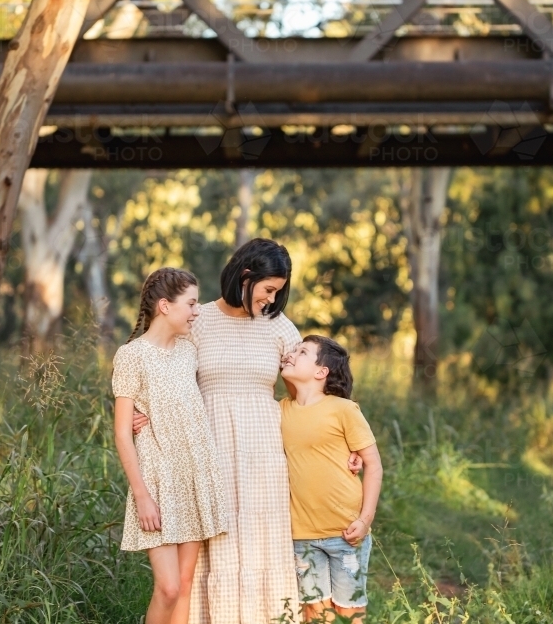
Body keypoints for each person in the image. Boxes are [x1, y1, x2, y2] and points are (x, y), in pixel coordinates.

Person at [131, 239, 362, 623]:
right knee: (209, 551)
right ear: (245, 275)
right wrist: (144, 413)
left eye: (278, 292)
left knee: (262, 544)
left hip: (265, 455)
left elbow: (311, 394)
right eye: (269, 289)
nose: (272, 300)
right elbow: (160, 370)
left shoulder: (280, 328)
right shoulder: (197, 320)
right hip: (206, 450)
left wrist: (344, 444)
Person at [112, 267, 228, 624]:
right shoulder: (131, 355)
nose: (197, 311)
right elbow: (121, 433)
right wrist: (142, 495)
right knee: (169, 588)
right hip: (157, 481)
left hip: (193, 474)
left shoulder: (188, 349)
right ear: (165, 305)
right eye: (191, 303)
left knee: (186, 582)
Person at [279, 336, 383, 624]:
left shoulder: (344, 410)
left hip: (345, 533)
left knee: (350, 614)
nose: (291, 355)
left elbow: (373, 465)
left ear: (321, 371)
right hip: (302, 536)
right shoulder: (280, 410)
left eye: (301, 352)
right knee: (316, 613)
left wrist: (365, 520)